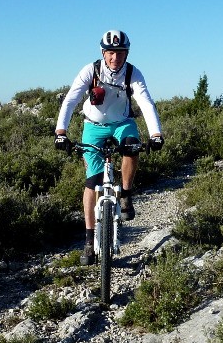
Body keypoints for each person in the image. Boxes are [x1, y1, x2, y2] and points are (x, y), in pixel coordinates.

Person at [54, 29, 164, 265]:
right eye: (111, 53)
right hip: (93, 126)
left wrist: (156, 134)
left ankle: (125, 192)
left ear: (127, 53)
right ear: (104, 53)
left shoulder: (133, 73)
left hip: (122, 123)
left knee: (132, 147)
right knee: (92, 183)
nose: (115, 58)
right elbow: (71, 100)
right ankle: (88, 239)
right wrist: (61, 133)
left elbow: (145, 102)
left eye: (120, 53)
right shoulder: (90, 71)